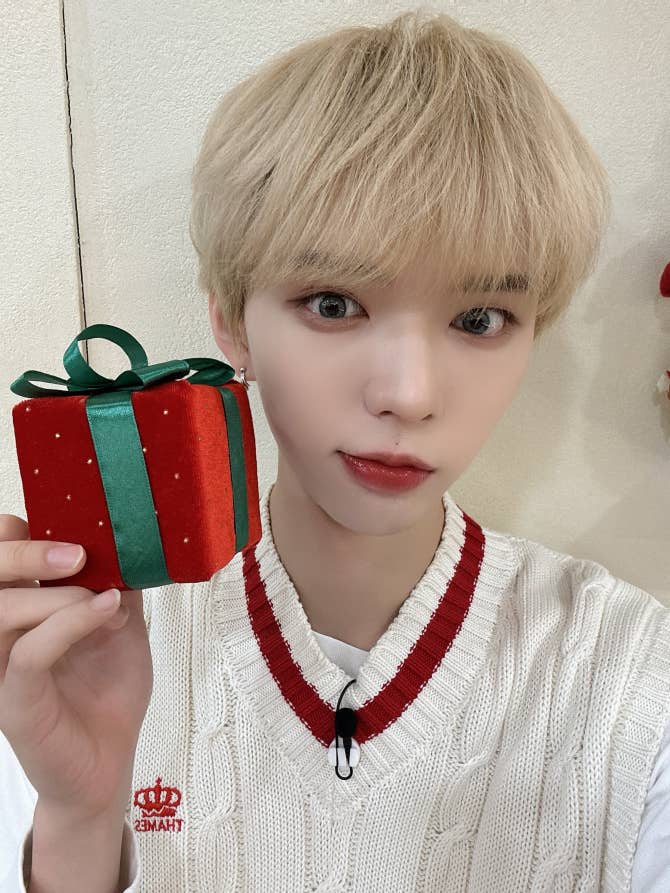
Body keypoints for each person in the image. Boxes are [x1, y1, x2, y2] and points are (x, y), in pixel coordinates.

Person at [1, 8, 669, 891]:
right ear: (231, 321)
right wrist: (80, 819)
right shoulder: (81, 648)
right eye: (333, 303)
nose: (409, 393)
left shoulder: (631, 675)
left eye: (480, 318)